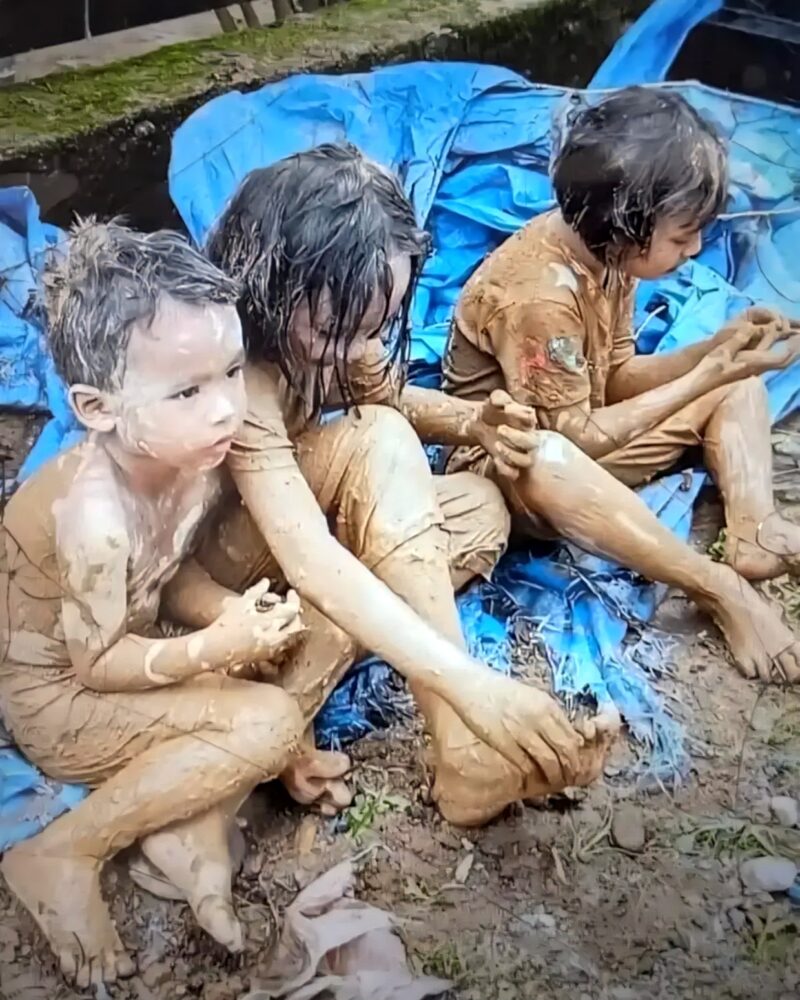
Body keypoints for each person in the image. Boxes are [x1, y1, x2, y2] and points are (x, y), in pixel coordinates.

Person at [162, 143, 616, 837]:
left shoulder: (339, 323)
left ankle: (308, 684)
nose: (356, 348)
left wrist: (475, 422)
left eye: (375, 327)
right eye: (335, 330)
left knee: (479, 510)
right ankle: (457, 743)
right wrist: (473, 686)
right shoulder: (236, 378)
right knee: (377, 443)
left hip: (292, 530)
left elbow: (388, 395)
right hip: (209, 577)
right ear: (272, 284)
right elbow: (313, 554)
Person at [0, 221, 312, 987]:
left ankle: (185, 828)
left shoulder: (181, 455)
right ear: (97, 407)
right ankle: (63, 851)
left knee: (289, 647)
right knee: (270, 721)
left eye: (231, 372)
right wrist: (216, 649)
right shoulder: (95, 518)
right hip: (63, 698)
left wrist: (225, 615)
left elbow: (168, 574)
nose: (226, 408)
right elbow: (97, 663)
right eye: (187, 391)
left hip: (131, 637)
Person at [443, 86, 800, 684]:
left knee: (739, 384)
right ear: (627, 225)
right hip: (513, 469)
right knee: (547, 457)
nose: (694, 251)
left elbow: (616, 376)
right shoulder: (540, 298)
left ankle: (754, 530)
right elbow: (573, 438)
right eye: (681, 237)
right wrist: (705, 374)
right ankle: (714, 585)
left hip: (587, 433)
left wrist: (717, 351)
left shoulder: (608, 253)